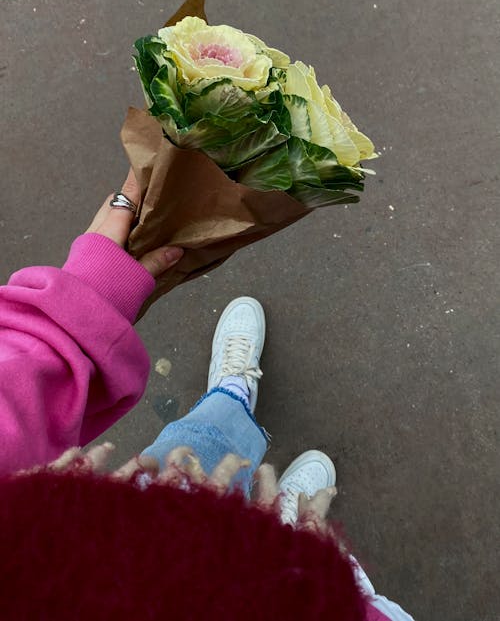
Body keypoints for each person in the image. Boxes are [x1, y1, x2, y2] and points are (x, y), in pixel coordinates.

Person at [0, 173, 414, 621]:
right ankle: (290, 530)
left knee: (193, 457)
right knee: (309, 575)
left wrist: (70, 321)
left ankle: (232, 400)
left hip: (127, 537)